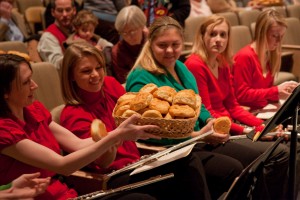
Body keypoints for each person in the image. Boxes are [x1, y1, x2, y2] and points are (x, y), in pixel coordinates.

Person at [125, 15, 290, 200]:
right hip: (174, 149)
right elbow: (149, 129)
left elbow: (199, 105)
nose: (170, 50)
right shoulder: (141, 77)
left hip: (198, 140)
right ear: (150, 44)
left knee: (269, 155)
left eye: (175, 44)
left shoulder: (180, 67)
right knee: (235, 168)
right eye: (162, 45)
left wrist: (211, 121)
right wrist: (198, 135)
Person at [59, 42, 237, 200]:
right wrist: (115, 138)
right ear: (71, 76)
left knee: (193, 162)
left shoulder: (110, 85)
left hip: (138, 162)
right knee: (187, 171)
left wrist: (196, 134)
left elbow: (143, 121)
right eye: (86, 71)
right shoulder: (73, 114)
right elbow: (104, 163)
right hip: (113, 175)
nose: (96, 75)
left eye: (99, 67)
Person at [0, 53, 165, 199]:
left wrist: (120, 132)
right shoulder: (4, 129)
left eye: (32, 78)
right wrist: (118, 135)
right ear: (4, 92)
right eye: (26, 82)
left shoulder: (33, 109)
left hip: (63, 192)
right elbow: (63, 166)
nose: (34, 85)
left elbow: (78, 144)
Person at [184, 15, 264, 135]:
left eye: (223, 35)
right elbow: (208, 113)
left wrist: (261, 124)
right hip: (211, 131)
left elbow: (233, 106)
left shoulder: (222, 62)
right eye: (212, 34)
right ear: (202, 37)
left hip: (228, 125)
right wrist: (246, 130)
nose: (218, 39)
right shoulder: (195, 65)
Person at [232, 9, 299, 111]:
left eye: (282, 36)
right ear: (261, 33)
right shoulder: (244, 56)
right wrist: (275, 91)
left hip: (263, 109)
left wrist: (284, 93)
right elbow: (242, 95)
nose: (279, 41)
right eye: (275, 36)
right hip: (248, 113)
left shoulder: (270, 55)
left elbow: (263, 92)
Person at [112, 5, 148, 84]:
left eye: (132, 31)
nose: (128, 36)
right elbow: (125, 81)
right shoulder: (117, 51)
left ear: (142, 26)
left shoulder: (153, 42)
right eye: (124, 33)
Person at [37, 0, 76, 70]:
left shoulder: (80, 29)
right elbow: (56, 65)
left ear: (74, 10)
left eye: (68, 10)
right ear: (53, 12)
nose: (65, 14)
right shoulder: (48, 37)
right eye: (60, 10)